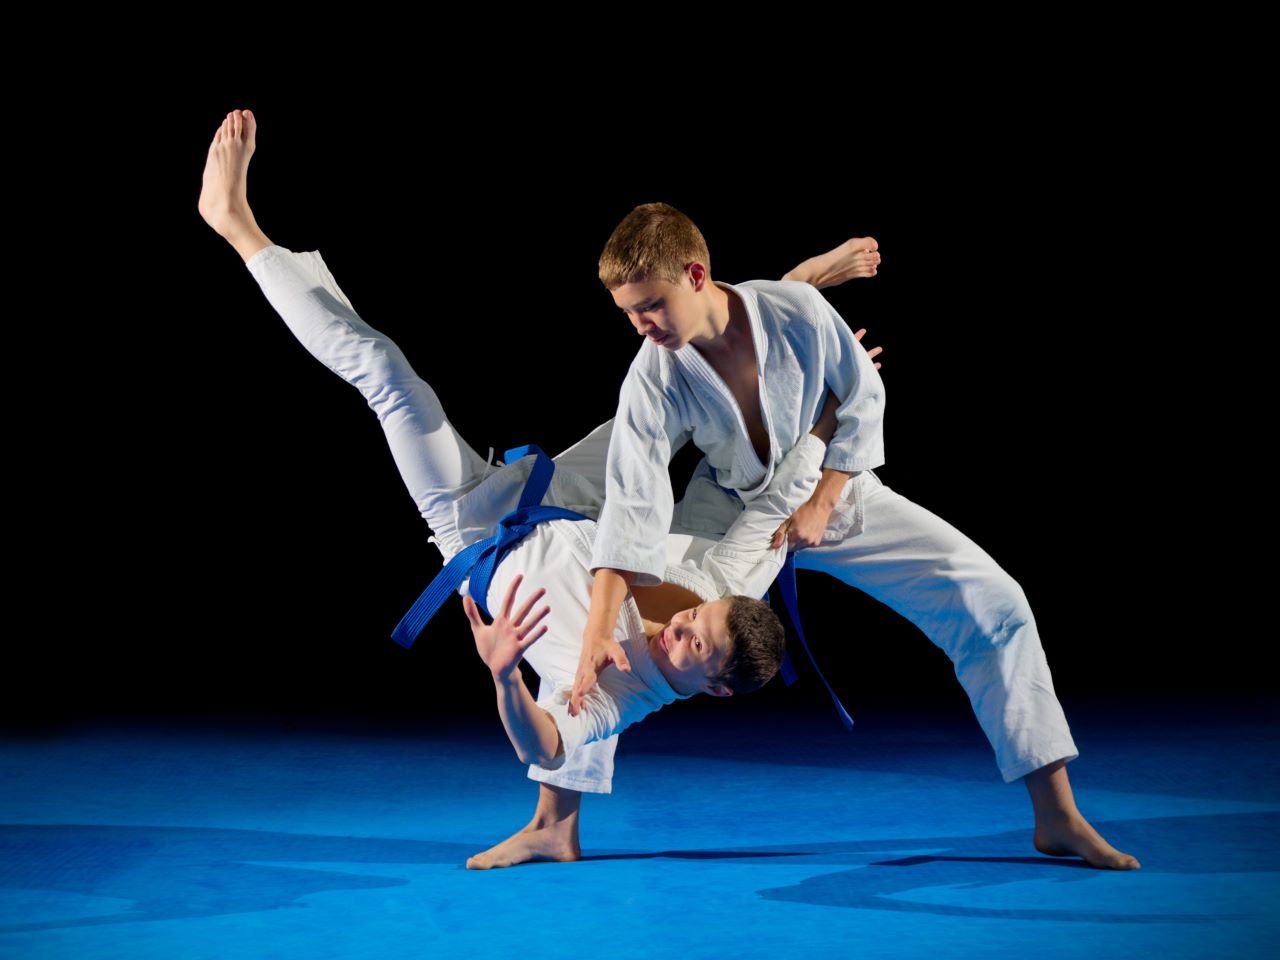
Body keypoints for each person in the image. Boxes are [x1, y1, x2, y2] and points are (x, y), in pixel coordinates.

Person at [196, 107, 874, 869]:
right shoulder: (728, 583)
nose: (681, 625)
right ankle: (799, 289)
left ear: (709, 689)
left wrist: (503, 674)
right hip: (572, 499)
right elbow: (780, 492)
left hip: (477, 531)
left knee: (387, 376)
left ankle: (236, 227)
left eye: (691, 645)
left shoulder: (627, 695)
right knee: (690, 378)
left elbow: (548, 740)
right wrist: (825, 410)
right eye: (699, 617)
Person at [573, 202, 1141, 871]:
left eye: (650, 306)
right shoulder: (653, 372)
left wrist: (824, 500)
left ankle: (1057, 815)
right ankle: (557, 822)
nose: (641, 326)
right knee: (621, 629)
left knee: (994, 599)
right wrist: (593, 636)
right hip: (725, 505)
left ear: (696, 275)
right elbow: (633, 500)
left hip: (832, 490)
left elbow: (863, 397)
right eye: (629, 313)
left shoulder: (795, 311)